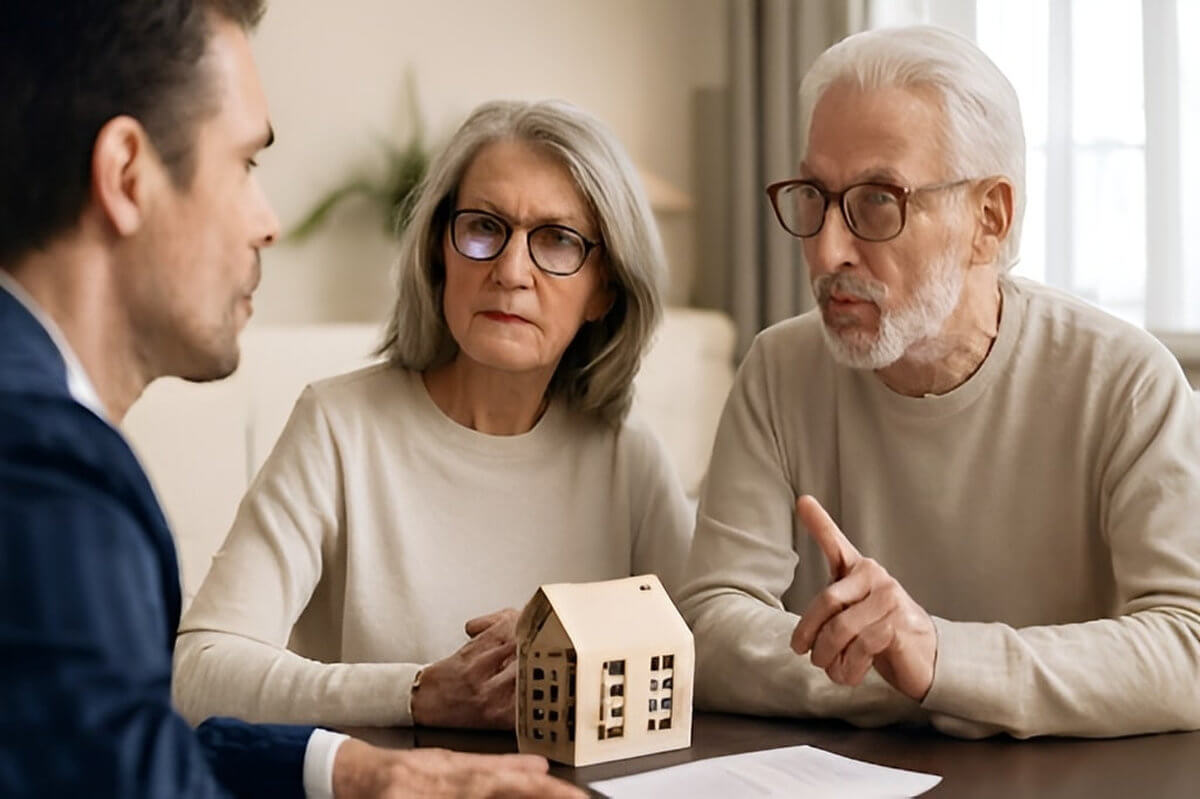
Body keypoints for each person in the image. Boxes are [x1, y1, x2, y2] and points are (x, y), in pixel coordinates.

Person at [0, 2, 584, 796]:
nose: (268, 223)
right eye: (245, 165)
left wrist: (359, 771)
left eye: (556, 242)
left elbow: (115, 749)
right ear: (128, 175)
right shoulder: (45, 464)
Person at [677, 25, 1200, 740]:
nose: (827, 249)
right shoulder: (778, 369)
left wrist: (942, 656)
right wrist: (901, 672)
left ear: (989, 219)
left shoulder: (1127, 382)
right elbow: (710, 624)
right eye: (814, 195)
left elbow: (1188, 645)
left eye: (878, 200)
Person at [172, 99, 692, 731]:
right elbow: (198, 670)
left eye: (555, 240)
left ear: (604, 291)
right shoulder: (338, 426)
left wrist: (588, 645)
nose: (510, 271)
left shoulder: (628, 457)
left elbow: (702, 650)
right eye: (483, 227)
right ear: (438, 253)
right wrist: (417, 692)